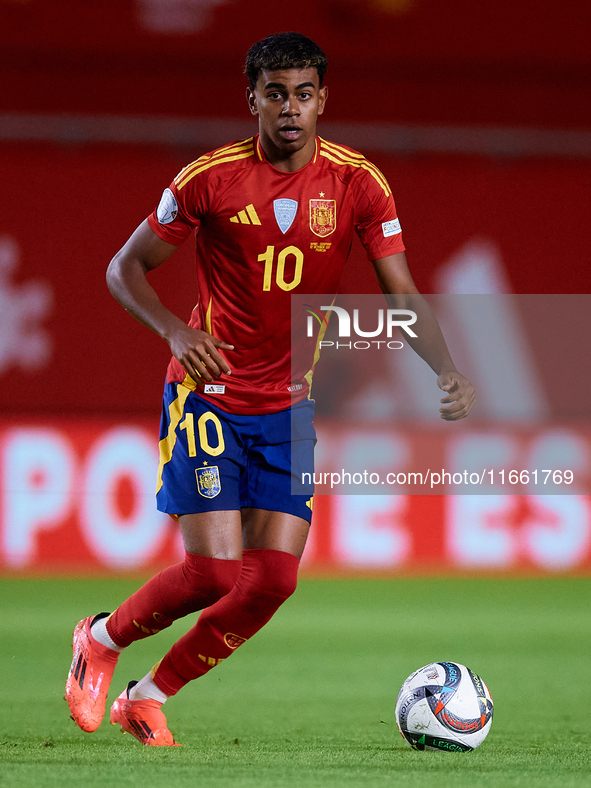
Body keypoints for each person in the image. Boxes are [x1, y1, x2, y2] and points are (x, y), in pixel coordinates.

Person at [65, 31, 475, 747]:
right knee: (213, 574)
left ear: (324, 99)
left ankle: (148, 695)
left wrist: (442, 367)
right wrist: (173, 332)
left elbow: (400, 289)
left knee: (273, 582)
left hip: (287, 403)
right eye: (276, 93)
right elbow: (123, 268)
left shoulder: (358, 184)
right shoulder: (209, 179)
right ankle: (100, 638)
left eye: (304, 94)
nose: (291, 108)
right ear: (251, 98)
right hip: (210, 394)